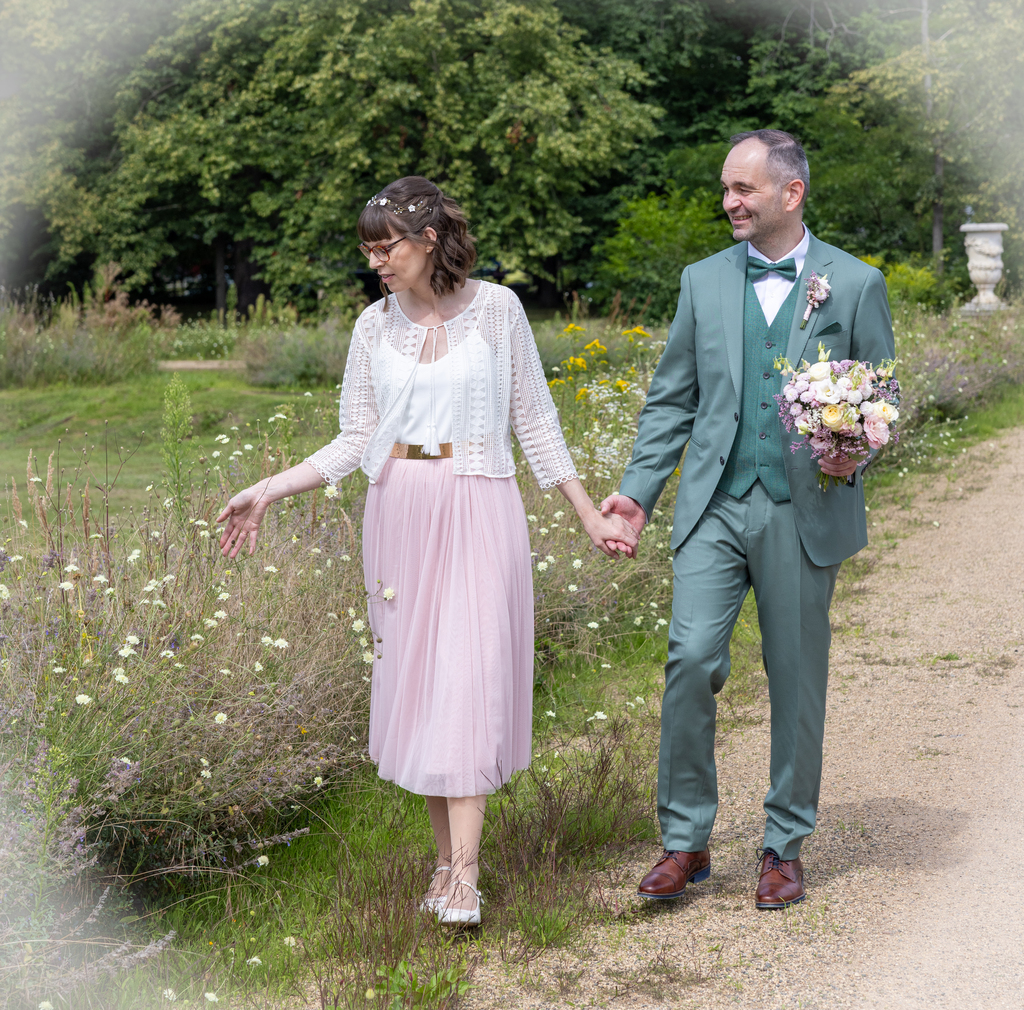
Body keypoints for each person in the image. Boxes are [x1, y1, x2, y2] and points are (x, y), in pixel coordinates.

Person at [217, 176, 637, 926]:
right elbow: (354, 439)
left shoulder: (500, 310)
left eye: (388, 247)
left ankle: (466, 880)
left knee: (467, 679)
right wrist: (269, 489)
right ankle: (445, 868)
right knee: (425, 685)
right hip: (399, 513)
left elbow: (536, 422)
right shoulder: (372, 328)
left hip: (478, 503)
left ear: (430, 240)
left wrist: (587, 517)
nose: (377, 261)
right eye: (368, 250)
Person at [601, 131, 895, 909]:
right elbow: (672, 398)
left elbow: (881, 396)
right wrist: (638, 491)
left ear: (791, 193)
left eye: (744, 189)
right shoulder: (701, 281)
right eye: (726, 189)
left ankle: (783, 845)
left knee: (796, 677)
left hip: (805, 510)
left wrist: (852, 454)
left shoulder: (856, 284)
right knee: (691, 660)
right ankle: (685, 840)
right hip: (713, 506)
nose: (730, 202)